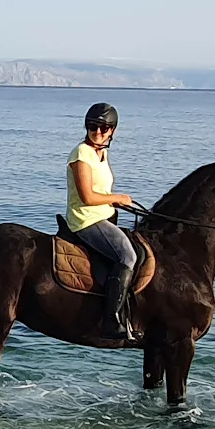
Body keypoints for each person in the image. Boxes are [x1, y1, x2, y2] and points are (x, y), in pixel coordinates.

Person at [66, 102, 138, 341]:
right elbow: (86, 196)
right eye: (93, 126)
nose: (98, 132)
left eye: (104, 128)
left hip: (103, 215)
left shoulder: (101, 153)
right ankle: (112, 320)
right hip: (85, 220)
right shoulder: (81, 154)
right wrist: (117, 198)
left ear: (113, 131)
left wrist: (113, 203)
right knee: (128, 256)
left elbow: (100, 191)